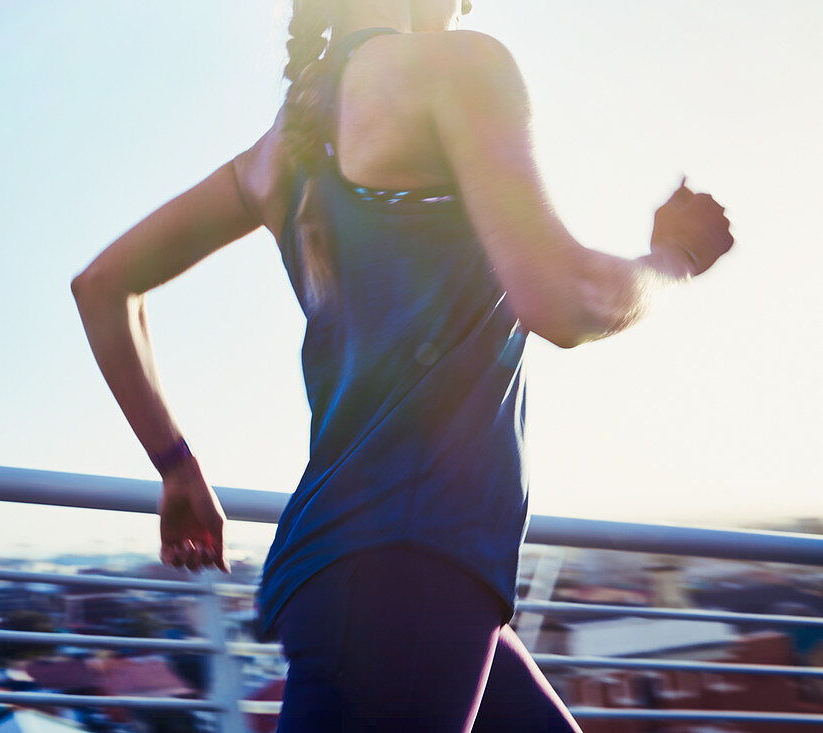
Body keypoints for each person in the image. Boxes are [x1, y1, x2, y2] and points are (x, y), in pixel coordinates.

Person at [70, 0, 734, 729]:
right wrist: (675, 259)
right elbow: (565, 301)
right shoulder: (457, 68)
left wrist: (176, 464)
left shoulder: (276, 153)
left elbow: (105, 287)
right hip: (411, 569)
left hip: (374, 571)